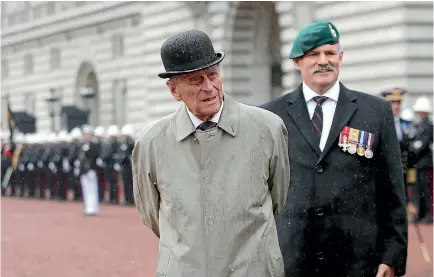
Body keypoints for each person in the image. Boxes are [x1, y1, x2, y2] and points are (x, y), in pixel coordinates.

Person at [132, 30, 290, 277]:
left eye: (213, 75)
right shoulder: (151, 143)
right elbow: (152, 215)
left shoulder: (267, 128)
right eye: (195, 80)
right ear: (174, 90)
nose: (209, 87)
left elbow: (278, 200)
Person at [261, 21, 408, 277]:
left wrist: (393, 255)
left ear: (341, 57)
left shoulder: (375, 112)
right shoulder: (270, 115)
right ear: (297, 62)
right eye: (313, 54)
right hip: (292, 257)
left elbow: (392, 189)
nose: (323, 61)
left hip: (359, 259)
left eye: (330, 53)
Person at [380, 88, 415, 201]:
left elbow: (410, 149)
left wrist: (411, 174)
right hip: (385, 169)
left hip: (403, 169)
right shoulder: (380, 123)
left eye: (398, 103)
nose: (396, 106)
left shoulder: (407, 124)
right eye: (392, 102)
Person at [408, 96, 433, 223]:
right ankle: (420, 213)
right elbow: (412, 141)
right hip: (418, 163)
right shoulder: (418, 125)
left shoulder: (428, 126)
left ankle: (429, 214)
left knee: (427, 190)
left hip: (425, 163)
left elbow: (422, 144)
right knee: (418, 190)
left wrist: (413, 146)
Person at [78, 125, 100, 216]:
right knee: (86, 190)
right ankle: (88, 207)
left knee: (92, 189)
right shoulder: (82, 145)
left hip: (91, 170)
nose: (86, 136)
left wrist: (92, 169)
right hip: (84, 170)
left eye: (88, 134)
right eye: (85, 135)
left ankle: (93, 208)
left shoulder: (94, 145)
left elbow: (93, 157)